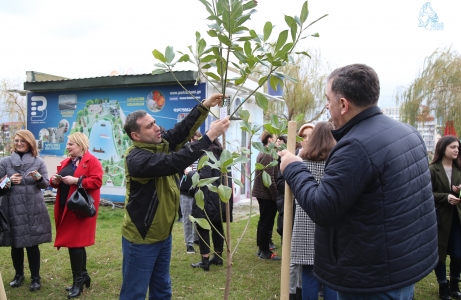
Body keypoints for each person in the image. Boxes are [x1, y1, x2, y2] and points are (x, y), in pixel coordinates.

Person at [279, 64, 438, 299]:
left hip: (371, 279)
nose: (326, 106)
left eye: (328, 99)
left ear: (343, 104)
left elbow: (322, 207)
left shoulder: (356, 146)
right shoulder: (407, 132)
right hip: (402, 267)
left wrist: (294, 167)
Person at [119, 94, 230, 300]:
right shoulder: (136, 159)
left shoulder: (159, 144)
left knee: (162, 290)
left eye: (155, 122)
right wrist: (208, 137)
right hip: (142, 237)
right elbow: (174, 162)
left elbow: (181, 130)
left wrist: (204, 106)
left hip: (163, 235)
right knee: (134, 293)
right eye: (149, 126)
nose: (156, 127)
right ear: (136, 136)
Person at [50, 132, 103, 298]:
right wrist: (54, 180)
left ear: (80, 145)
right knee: (77, 244)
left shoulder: (92, 160)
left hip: (80, 210)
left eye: (71, 144)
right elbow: (55, 180)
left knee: (75, 244)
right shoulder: (68, 161)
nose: (68, 147)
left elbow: (96, 181)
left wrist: (76, 181)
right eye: (68, 144)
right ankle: (84, 275)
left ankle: (78, 280)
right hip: (66, 207)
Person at [0, 130, 51, 292]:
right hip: (12, 206)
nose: (19, 143)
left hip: (33, 207)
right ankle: (19, 274)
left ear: (30, 143)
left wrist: (38, 178)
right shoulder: (5, 162)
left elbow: (45, 184)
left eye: (22, 141)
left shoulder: (38, 161)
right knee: (16, 243)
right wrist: (8, 181)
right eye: (16, 140)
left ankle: (36, 277)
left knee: (32, 243)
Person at [190, 138, 232, 271]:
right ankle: (218, 257)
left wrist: (191, 173)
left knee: (203, 227)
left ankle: (205, 259)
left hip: (207, 197)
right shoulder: (224, 156)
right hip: (221, 197)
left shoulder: (206, 156)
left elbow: (204, 178)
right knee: (217, 226)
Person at [429, 135, 461, 300]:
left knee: (457, 254)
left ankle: (455, 284)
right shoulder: (433, 169)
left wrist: (457, 191)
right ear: (443, 149)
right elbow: (427, 194)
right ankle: (443, 286)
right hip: (439, 219)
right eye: (453, 147)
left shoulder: (459, 169)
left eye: (457, 147)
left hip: (457, 219)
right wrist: (446, 197)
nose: (457, 150)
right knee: (439, 253)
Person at [253, 131, 280, 260]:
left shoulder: (264, 152)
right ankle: (265, 251)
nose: (277, 140)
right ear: (269, 140)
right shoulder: (268, 155)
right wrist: (276, 196)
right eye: (275, 138)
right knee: (266, 222)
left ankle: (261, 248)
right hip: (266, 195)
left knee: (264, 221)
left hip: (263, 194)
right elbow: (269, 180)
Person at [179, 130, 202, 254]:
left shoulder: (203, 152)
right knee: (187, 217)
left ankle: (196, 238)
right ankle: (189, 244)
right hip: (185, 190)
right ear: (190, 140)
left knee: (198, 216)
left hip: (199, 190)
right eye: (194, 140)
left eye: (198, 140)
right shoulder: (184, 152)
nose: (195, 143)